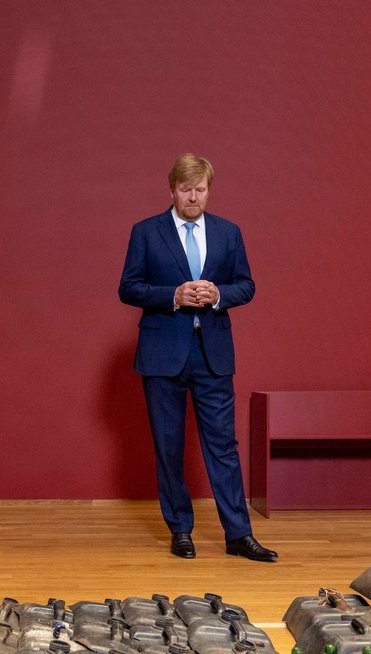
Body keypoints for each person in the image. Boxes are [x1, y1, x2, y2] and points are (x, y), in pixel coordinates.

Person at [118, 153, 277, 562]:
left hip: (213, 355)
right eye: (186, 190)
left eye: (200, 190)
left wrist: (219, 295)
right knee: (169, 447)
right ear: (172, 190)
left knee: (223, 446)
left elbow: (247, 285)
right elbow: (129, 288)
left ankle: (239, 534)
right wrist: (171, 296)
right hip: (162, 356)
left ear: (209, 190)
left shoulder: (228, 232)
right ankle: (181, 530)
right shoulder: (146, 232)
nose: (193, 197)